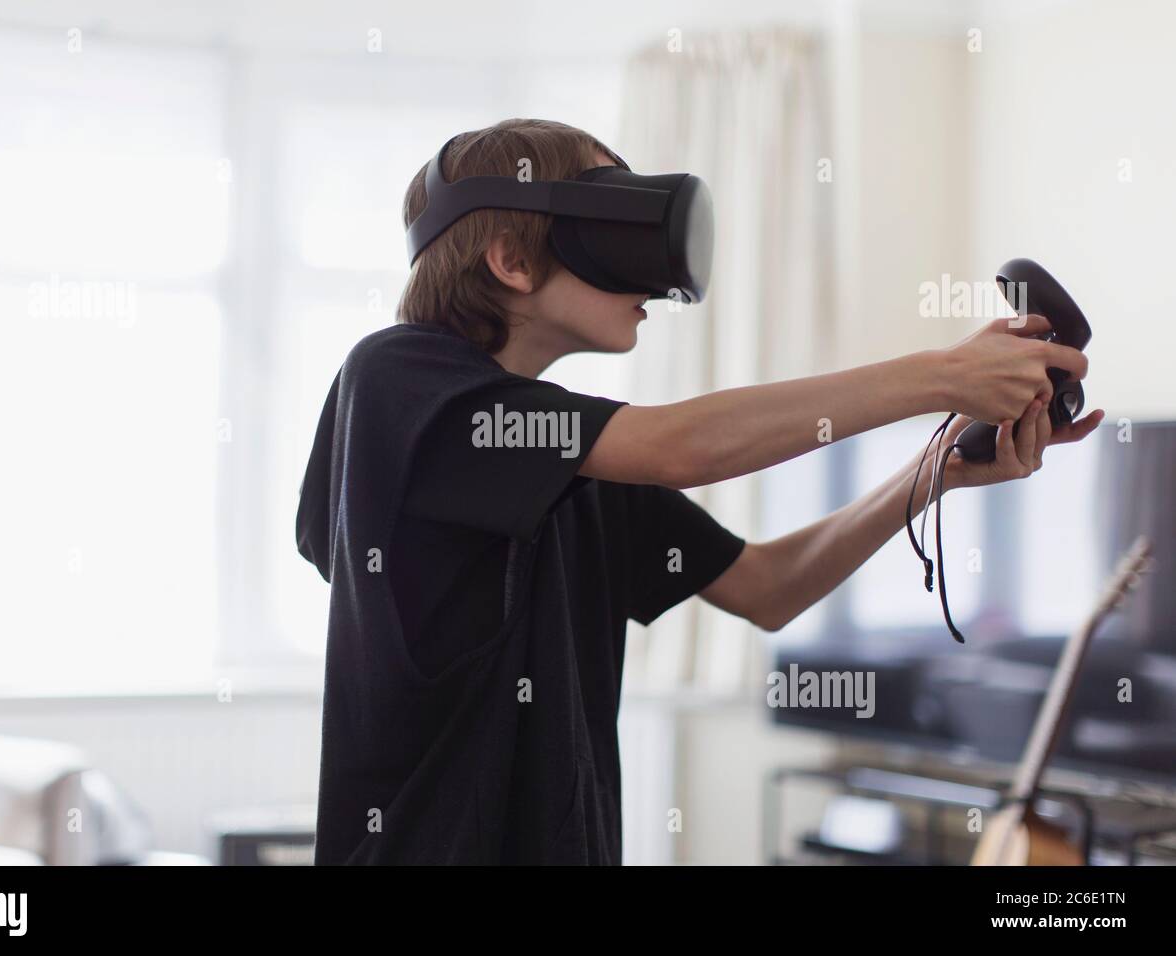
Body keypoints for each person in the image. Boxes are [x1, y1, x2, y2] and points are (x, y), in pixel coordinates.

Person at [295, 118, 1101, 865]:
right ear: (511, 259)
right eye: (611, 229)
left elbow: (769, 588)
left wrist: (938, 472)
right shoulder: (398, 379)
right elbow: (683, 445)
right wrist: (942, 375)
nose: (652, 277)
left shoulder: (579, 466)